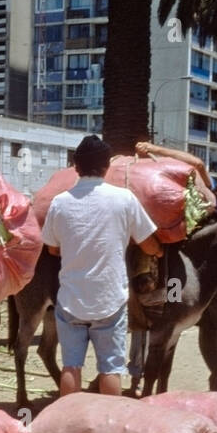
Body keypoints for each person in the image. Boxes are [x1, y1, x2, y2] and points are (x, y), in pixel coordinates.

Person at [134, 141, 217, 395]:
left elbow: (198, 165)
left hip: (194, 279)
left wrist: (155, 150)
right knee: (216, 334)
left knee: (209, 331)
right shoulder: (209, 204)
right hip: (204, 281)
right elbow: (198, 165)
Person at [43, 136, 162, 397]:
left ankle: (68, 426)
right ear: (106, 167)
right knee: (110, 368)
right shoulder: (124, 199)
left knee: (71, 366)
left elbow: (52, 249)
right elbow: (149, 245)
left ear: (76, 167)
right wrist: (159, 251)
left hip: (71, 300)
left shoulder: (60, 202)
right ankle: (109, 428)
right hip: (110, 301)